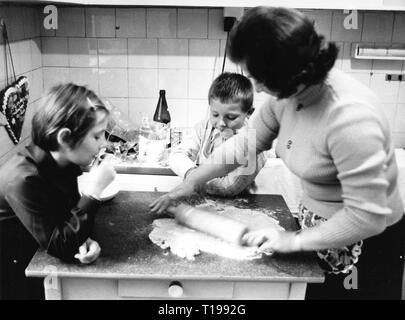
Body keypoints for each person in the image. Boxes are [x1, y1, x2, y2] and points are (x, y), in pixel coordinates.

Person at [150, 7, 405, 300]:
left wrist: (292, 240)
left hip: (358, 240)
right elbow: (243, 145)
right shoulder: (286, 94)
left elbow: (368, 217)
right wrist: (192, 181)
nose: (256, 86)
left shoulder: (351, 119)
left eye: (260, 76)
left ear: (290, 69)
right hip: (313, 224)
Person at [0, 83, 116, 300]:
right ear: (65, 138)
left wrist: (82, 238)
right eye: (97, 136)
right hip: (12, 268)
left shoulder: (62, 163)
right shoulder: (23, 178)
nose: (104, 145)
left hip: (35, 252)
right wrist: (93, 192)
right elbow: (59, 244)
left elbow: (66, 215)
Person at [169, 72, 266, 197]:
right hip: (204, 203)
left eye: (231, 117)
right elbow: (176, 155)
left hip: (239, 207)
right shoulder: (203, 128)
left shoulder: (253, 144)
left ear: (248, 113)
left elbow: (228, 188)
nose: (221, 123)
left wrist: (195, 181)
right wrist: (191, 173)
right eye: (215, 114)